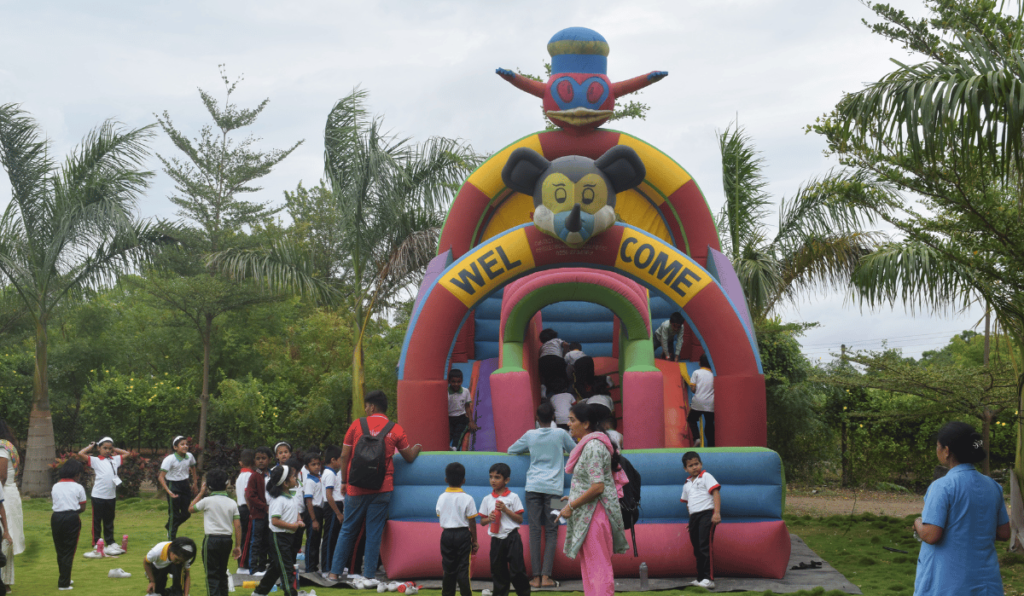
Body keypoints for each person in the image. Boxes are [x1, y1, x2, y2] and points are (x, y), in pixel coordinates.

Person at [328, 390, 422, 585]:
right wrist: (418, 448)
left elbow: (344, 456)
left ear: (371, 407)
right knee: (374, 532)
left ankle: (334, 573)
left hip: (356, 488)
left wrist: (344, 481)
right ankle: (369, 575)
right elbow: (409, 457)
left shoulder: (356, 425)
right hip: (382, 488)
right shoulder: (395, 429)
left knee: (347, 530)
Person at [913, 421, 1010, 595]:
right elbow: (1004, 533)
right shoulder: (993, 487)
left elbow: (931, 534)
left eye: (938, 446)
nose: (937, 451)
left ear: (947, 451)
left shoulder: (942, 486)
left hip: (948, 584)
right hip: (987, 583)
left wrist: (917, 523)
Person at [559, 403, 628, 596]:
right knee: (591, 568)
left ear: (586, 423)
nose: (568, 424)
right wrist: (573, 496)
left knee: (598, 570)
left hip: (595, 517)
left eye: (572, 420)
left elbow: (598, 487)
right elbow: (593, 483)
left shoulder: (594, 447)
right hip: (592, 514)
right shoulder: (591, 445)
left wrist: (571, 505)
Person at [508, 402, 577, 588]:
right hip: (555, 490)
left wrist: (531, 449)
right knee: (552, 532)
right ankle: (547, 577)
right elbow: (576, 451)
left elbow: (511, 450)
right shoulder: (561, 434)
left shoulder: (530, 435)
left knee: (535, 531)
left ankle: (535, 577)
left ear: (537, 418)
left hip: (533, 487)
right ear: (553, 417)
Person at [479, 463, 531, 596]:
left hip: (512, 538)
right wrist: (489, 518)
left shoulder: (513, 497)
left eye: (497, 477)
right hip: (496, 540)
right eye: (491, 477)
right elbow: (482, 521)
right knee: (498, 572)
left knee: (518, 570)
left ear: (506, 480)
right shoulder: (487, 499)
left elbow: (520, 519)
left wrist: (506, 510)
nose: (493, 480)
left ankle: (524, 593)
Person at [253, 465, 304, 596]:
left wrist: (299, 520)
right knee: (286, 569)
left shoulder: (290, 497)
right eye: (293, 477)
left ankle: (259, 593)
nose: (295, 478)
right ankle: (290, 593)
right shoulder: (278, 501)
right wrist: (291, 526)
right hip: (279, 538)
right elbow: (274, 520)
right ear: (285, 483)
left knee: (276, 568)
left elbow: (295, 510)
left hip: (289, 538)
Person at [189, 469, 241, 596]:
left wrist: (201, 493)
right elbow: (238, 526)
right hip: (227, 540)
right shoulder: (232, 502)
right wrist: (237, 546)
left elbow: (191, 508)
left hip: (211, 540)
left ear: (208, 485)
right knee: (222, 572)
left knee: (212, 574)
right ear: (226, 484)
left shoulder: (207, 501)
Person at [76, 436, 129, 557]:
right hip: (98, 495)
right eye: (104, 448)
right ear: (99, 448)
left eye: (110, 448)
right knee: (97, 519)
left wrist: (114, 448)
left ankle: (110, 541)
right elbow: (80, 454)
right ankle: (96, 541)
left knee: (109, 519)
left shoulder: (115, 459)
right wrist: (91, 446)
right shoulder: (95, 460)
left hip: (111, 496)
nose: (107, 450)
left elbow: (127, 454)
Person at [435, 462, 478, 596]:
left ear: (446, 480)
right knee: (463, 568)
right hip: (463, 534)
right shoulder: (468, 498)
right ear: (463, 480)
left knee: (448, 568)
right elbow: (472, 521)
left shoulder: (441, 497)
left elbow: (439, 513)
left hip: (447, 534)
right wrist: (474, 540)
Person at [680, 451, 721, 589]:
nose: (694, 467)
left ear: (701, 464)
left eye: (696, 464)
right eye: (690, 465)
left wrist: (716, 513)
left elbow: (716, 492)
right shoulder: (686, 484)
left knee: (704, 545)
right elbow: (688, 503)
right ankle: (701, 578)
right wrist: (691, 521)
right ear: (686, 469)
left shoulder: (706, 476)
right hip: (695, 517)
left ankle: (709, 579)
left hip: (706, 514)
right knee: (697, 547)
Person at [51, 458, 86, 591]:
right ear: (76, 474)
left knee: (60, 550)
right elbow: (82, 508)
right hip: (71, 518)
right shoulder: (78, 487)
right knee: (69, 551)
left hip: (56, 518)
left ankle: (65, 577)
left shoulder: (55, 486)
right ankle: (64, 584)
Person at [159, 436, 198, 540]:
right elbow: (161, 477)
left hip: (185, 485)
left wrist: (195, 483)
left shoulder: (189, 456)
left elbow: (193, 467)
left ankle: (170, 526)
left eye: (186, 444)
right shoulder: (169, 459)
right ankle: (171, 539)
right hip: (173, 485)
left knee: (187, 513)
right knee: (174, 514)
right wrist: (168, 491)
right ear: (175, 447)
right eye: (182, 444)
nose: (185, 446)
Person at [0, 419, 23, 590]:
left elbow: (1, 476)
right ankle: (6, 582)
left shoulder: (1, 448)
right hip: (10, 493)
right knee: (6, 540)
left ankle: (4, 582)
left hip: (4, 494)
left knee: (4, 538)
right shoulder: (9, 445)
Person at [244, 446, 273, 575]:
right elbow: (251, 496)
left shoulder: (272, 475)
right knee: (256, 541)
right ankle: (253, 568)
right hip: (259, 514)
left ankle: (262, 566)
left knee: (267, 540)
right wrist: (264, 506)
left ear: (269, 460)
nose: (261, 461)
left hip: (271, 513)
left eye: (263, 458)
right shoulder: (254, 476)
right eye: (258, 459)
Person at [320, 445, 344, 577]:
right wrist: (338, 513)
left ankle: (332, 566)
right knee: (329, 538)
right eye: (340, 459)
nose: (341, 462)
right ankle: (326, 568)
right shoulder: (329, 474)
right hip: (333, 507)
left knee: (334, 537)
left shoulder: (332, 473)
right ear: (333, 460)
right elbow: (329, 496)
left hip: (336, 506)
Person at [301, 451, 325, 573]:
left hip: (319, 511)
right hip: (312, 512)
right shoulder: (310, 481)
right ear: (307, 467)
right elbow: (308, 501)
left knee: (316, 540)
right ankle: (309, 567)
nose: (316, 466)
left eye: (318, 464)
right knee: (311, 539)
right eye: (313, 464)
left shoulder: (319, 479)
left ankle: (314, 566)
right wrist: (314, 519)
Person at [233, 449, 256, 574]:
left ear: (241, 463)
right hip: (247, 509)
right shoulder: (250, 475)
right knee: (247, 538)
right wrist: (252, 510)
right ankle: (242, 565)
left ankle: (244, 563)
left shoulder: (240, 476)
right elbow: (248, 495)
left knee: (243, 537)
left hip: (240, 508)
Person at [688, 354, 715, 447]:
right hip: (710, 403)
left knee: (691, 419)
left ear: (700, 362)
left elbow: (693, 389)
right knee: (709, 424)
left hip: (698, 401)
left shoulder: (696, 372)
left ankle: (697, 438)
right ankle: (712, 445)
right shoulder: (713, 375)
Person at [448, 369, 478, 450]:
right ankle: (444, 448)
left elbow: (467, 407)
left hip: (461, 417)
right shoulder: (446, 392)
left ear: (462, 381)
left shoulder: (465, 391)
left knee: (459, 433)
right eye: (453, 381)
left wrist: (471, 421)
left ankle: (454, 448)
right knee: (448, 434)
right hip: (449, 418)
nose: (456, 384)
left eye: (459, 381)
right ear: (449, 381)